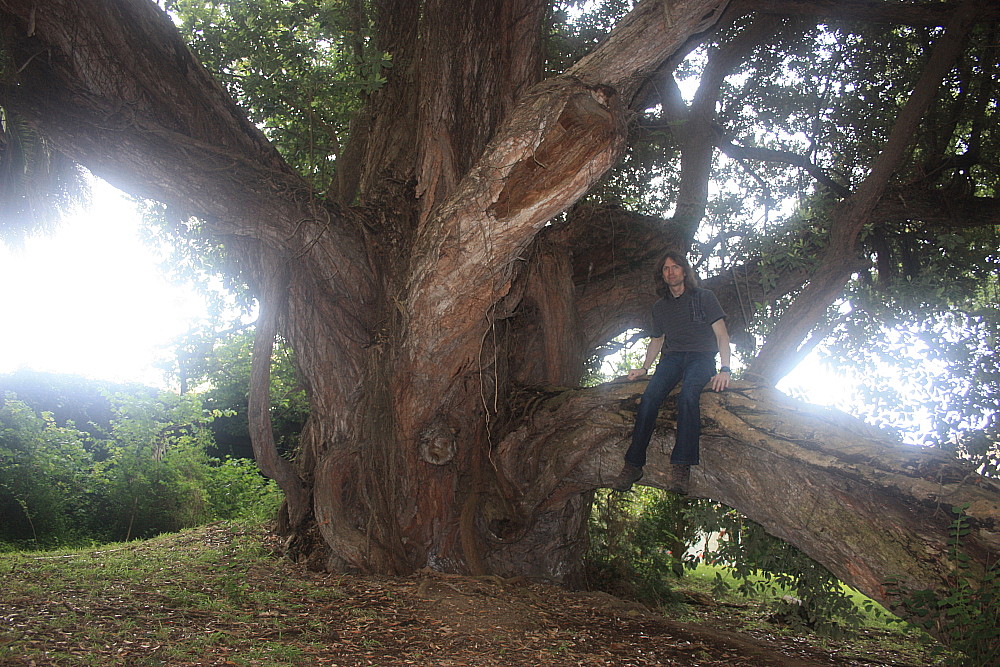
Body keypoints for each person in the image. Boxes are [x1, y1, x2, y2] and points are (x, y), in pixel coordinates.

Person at [610, 251, 731, 494]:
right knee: (650, 398)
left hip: (701, 358)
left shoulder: (704, 297)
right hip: (672, 359)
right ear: (662, 275)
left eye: (675, 267)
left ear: (684, 271)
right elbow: (657, 339)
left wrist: (725, 369)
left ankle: (681, 467)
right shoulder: (660, 307)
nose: (671, 272)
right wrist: (644, 368)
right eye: (666, 269)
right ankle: (633, 464)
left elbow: (722, 335)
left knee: (688, 396)